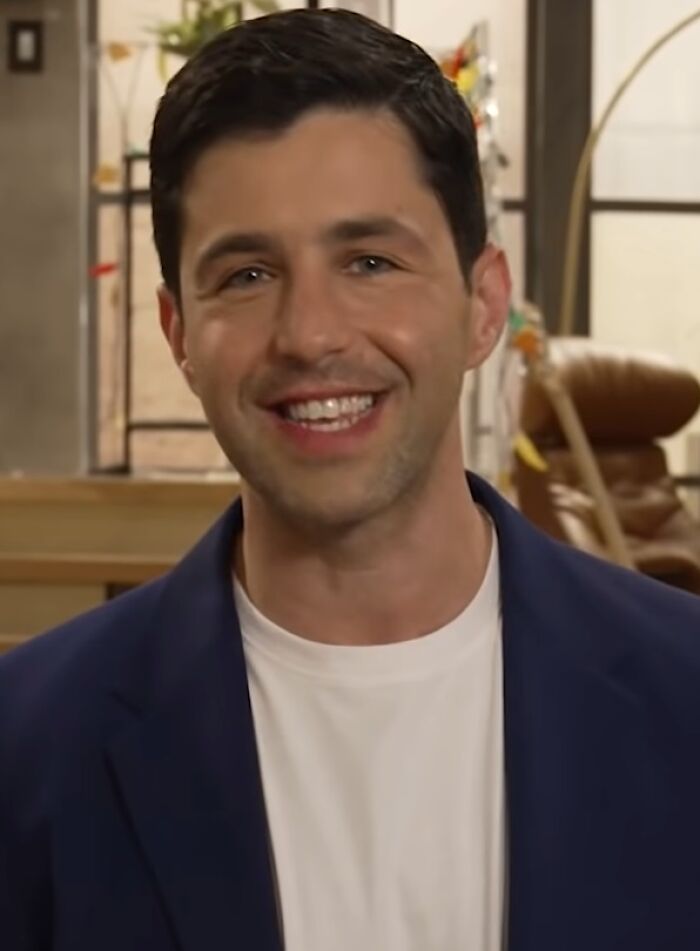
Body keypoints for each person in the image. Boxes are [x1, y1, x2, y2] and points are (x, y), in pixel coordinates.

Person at [1, 8, 699, 951]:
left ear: (484, 304)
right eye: (247, 275)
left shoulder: (684, 696)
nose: (310, 334)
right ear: (179, 334)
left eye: (370, 261)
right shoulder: (27, 748)